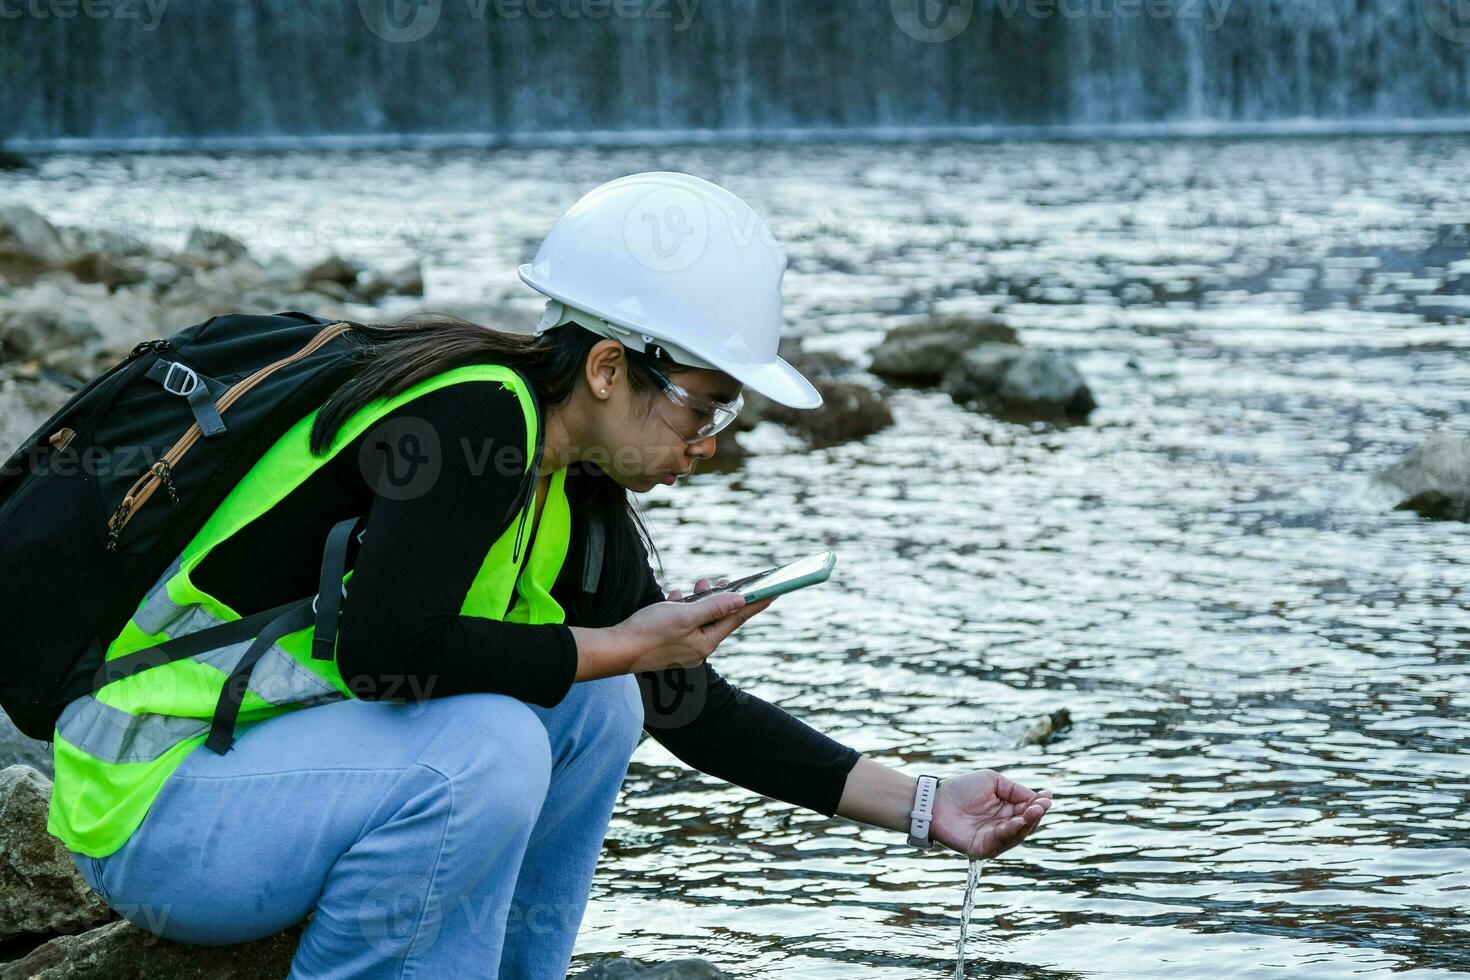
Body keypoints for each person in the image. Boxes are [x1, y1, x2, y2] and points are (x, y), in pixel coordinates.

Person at [49, 173, 1053, 979]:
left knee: (601, 706)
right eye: (703, 406)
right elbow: (385, 648)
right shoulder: (471, 419)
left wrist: (925, 802)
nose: (707, 442)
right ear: (611, 366)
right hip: (158, 805)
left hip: (265, 785)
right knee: (492, 742)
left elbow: (678, 702)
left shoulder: (567, 482)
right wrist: (625, 641)